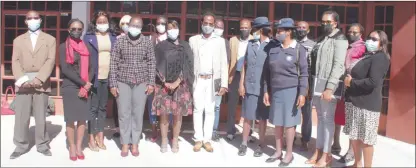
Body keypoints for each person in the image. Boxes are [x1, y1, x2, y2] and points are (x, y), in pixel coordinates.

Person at [10, 10, 56, 159]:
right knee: (21, 116)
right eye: (29, 18)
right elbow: (15, 61)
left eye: (35, 18)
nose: (33, 20)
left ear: (40, 20)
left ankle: (42, 145)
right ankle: (21, 145)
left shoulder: (50, 39)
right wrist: (23, 79)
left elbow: (50, 61)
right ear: (25, 21)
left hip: (41, 82)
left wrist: (39, 79)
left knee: (40, 116)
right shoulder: (18, 40)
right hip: (23, 82)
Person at [263, 18, 308, 167]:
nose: (278, 33)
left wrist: (302, 93)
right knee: (277, 122)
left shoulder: (298, 49)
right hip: (276, 90)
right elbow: (267, 73)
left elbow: (304, 73)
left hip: (291, 91)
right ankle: (278, 151)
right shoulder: (274, 49)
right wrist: (266, 91)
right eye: (277, 30)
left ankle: (289, 154)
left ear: (289, 32)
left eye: (281, 31)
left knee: (289, 124)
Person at [306, 10, 348, 167]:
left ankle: (327, 155)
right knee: (321, 119)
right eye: (322, 22)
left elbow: (338, 66)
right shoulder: (322, 38)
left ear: (335, 23)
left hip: (329, 85)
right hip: (317, 83)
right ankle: (318, 151)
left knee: (327, 119)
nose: (324, 24)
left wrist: (330, 88)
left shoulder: (340, 39)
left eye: (327, 22)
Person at [109, 16, 156, 157]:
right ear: (128, 26)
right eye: (133, 25)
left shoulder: (146, 42)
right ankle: (124, 143)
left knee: (137, 113)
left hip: (141, 82)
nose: (135, 28)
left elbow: (151, 62)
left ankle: (134, 143)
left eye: (138, 26)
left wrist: (151, 82)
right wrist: (112, 84)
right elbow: (113, 63)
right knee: (123, 113)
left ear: (141, 28)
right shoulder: (120, 42)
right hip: (123, 81)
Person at [343, 30, 390, 168]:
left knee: (366, 139)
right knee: (355, 136)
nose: (370, 41)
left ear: (382, 43)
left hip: (367, 104)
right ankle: (357, 164)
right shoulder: (368, 55)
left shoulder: (381, 58)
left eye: (374, 39)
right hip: (355, 101)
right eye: (369, 38)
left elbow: (373, 82)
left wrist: (351, 82)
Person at [152, 19, 194, 153]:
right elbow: (155, 65)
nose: (172, 30)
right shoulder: (160, 46)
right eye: (169, 28)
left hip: (180, 86)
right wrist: (165, 81)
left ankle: (175, 139)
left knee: (177, 115)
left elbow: (188, 65)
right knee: (164, 114)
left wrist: (177, 81)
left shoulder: (185, 45)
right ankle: (164, 140)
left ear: (179, 29)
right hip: (164, 85)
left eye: (174, 27)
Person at [189, 12, 228, 153]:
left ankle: (207, 140)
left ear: (213, 25)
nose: (208, 26)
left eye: (211, 24)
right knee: (198, 109)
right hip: (198, 79)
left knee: (210, 110)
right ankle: (198, 139)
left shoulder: (219, 41)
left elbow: (224, 63)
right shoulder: (193, 40)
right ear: (201, 23)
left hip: (213, 80)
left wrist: (224, 84)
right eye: (205, 23)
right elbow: (189, 62)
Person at [59, 18, 95, 161]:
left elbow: (92, 67)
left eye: (79, 29)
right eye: (73, 28)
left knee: (82, 119)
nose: (76, 31)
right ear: (68, 30)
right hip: (70, 86)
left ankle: (79, 145)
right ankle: (72, 146)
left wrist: (87, 84)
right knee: (70, 119)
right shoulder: (63, 46)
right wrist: (83, 83)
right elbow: (66, 69)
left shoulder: (87, 46)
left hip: (85, 86)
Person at [237, 17, 273, 157]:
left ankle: (260, 144)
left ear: (261, 29)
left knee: (262, 118)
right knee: (247, 116)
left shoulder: (272, 45)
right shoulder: (251, 44)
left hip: (263, 88)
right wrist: (241, 83)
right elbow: (244, 65)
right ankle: (244, 143)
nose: (253, 31)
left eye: (255, 29)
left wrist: (269, 90)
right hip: (250, 85)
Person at [84, 11, 117, 152]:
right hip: (94, 78)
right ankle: (91, 137)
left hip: (107, 78)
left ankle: (100, 136)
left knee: (103, 108)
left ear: (108, 23)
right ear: (95, 23)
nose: (102, 24)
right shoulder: (89, 37)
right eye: (100, 21)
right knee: (93, 109)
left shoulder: (113, 37)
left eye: (105, 21)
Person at [334, 23, 366, 163]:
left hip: (355, 87)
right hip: (343, 86)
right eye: (350, 31)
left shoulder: (363, 47)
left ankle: (351, 152)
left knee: (353, 122)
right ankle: (336, 144)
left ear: (361, 33)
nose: (352, 33)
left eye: (355, 32)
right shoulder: (347, 45)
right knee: (341, 118)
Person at [146, 15, 173, 143]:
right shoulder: (151, 38)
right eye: (158, 23)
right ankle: (154, 130)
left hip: (168, 78)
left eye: (163, 23)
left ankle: (170, 130)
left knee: (169, 105)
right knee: (152, 105)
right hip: (153, 77)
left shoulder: (172, 37)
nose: (160, 25)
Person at [227, 19, 254, 142]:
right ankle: (231, 131)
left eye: (246, 27)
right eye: (242, 27)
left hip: (250, 76)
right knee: (232, 104)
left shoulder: (255, 40)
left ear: (251, 28)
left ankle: (248, 132)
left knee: (249, 105)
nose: (244, 29)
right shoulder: (233, 40)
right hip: (235, 75)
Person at [295, 21, 316, 151]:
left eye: (304, 28)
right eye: (299, 27)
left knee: (306, 112)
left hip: (307, 79)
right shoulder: (292, 43)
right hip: (292, 79)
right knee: (291, 110)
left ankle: (305, 139)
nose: (301, 29)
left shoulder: (313, 45)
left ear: (308, 31)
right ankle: (290, 137)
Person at [212, 18, 231, 142]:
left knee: (216, 107)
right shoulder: (207, 40)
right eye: (217, 26)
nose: (219, 29)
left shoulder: (225, 42)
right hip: (206, 77)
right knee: (204, 106)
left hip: (218, 79)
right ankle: (204, 130)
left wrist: (224, 82)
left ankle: (214, 130)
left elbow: (226, 63)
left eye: (221, 27)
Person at [113, 14, 132, 138]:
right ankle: (118, 129)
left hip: (134, 77)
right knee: (119, 105)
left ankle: (131, 129)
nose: (125, 26)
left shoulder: (139, 38)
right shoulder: (117, 39)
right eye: (123, 24)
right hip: (120, 76)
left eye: (128, 23)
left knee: (133, 105)